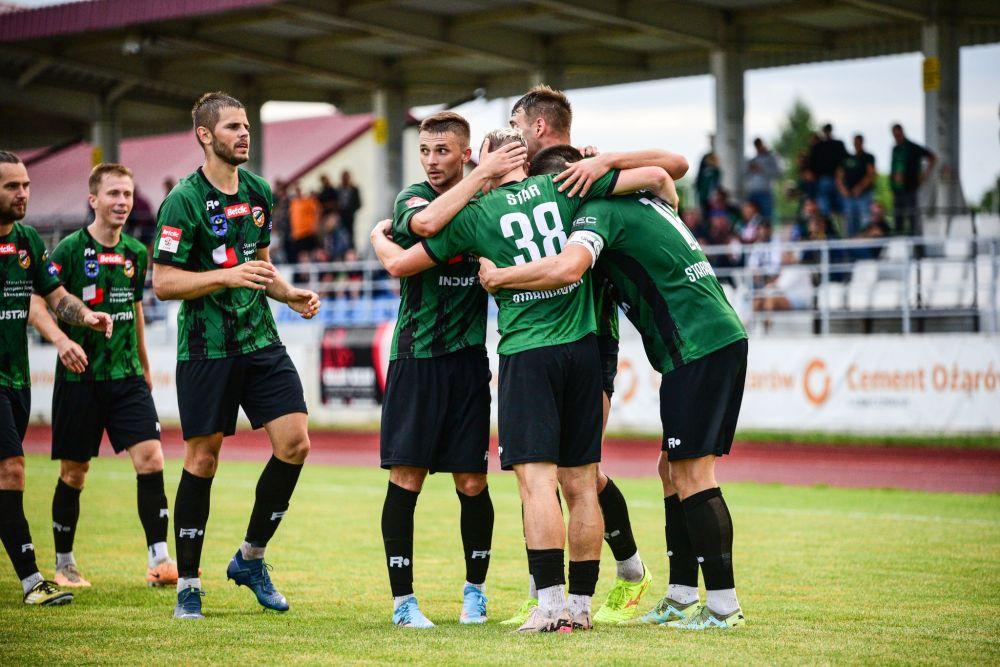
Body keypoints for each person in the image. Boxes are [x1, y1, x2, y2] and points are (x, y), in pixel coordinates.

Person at [372, 129, 672, 633]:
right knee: (580, 485)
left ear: (486, 163)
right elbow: (663, 175)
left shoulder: (475, 214)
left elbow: (412, 247)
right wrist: (602, 162)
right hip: (584, 347)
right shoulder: (565, 189)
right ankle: (580, 609)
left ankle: (548, 605)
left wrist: (380, 235)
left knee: (537, 485)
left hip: (527, 355)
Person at [477, 147, 749, 631]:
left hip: (698, 342)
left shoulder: (599, 213)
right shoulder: (645, 198)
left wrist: (500, 277)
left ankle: (724, 607)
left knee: (693, 474)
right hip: (710, 337)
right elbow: (668, 174)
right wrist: (610, 162)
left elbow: (568, 268)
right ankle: (682, 595)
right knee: (671, 469)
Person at [507, 84, 688, 625]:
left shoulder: (581, 169)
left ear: (538, 126)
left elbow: (666, 172)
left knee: (574, 475)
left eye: (516, 124)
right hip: (544, 338)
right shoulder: (528, 181)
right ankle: (551, 593)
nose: (513, 134)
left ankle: (629, 571)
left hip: (592, 335)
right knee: (544, 474)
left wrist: (607, 160)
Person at [151, 91, 321, 620]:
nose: (243, 134)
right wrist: (225, 276)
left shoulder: (259, 191)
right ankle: (190, 585)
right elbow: (162, 283)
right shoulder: (182, 200)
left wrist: (288, 293)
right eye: (232, 127)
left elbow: (260, 266)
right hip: (206, 349)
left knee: (295, 444)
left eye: (246, 125)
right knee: (203, 459)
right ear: (205, 135)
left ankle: (251, 557)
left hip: (261, 340)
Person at [375, 111, 526, 629]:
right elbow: (426, 225)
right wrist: (484, 174)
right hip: (416, 359)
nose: (432, 161)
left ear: (464, 153)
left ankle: (475, 593)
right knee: (407, 479)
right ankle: (403, 602)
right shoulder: (411, 197)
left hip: (466, 363)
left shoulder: (489, 207)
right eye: (425, 150)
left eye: (442, 151)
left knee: (472, 484)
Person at [31, 163, 176, 589]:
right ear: (93, 199)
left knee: (152, 459)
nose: (122, 202)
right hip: (80, 379)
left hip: (126, 375)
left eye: (128, 195)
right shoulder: (69, 250)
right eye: (113, 194)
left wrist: (145, 365)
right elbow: (39, 303)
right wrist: (61, 341)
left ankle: (159, 560)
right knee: (74, 473)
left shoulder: (136, 251)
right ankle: (65, 562)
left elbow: (134, 311)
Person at [0, 150, 113, 606]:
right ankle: (32, 581)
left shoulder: (26, 240)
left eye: (26, 184)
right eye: (12, 186)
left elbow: (49, 297)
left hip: (16, 378)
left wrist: (81, 322)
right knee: (12, 470)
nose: (23, 193)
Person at [890, 123, 937, 236]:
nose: (896, 137)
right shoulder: (895, 148)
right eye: (894, 135)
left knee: (913, 220)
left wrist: (924, 175)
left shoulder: (912, 147)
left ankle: (917, 248)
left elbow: (932, 157)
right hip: (897, 190)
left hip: (910, 188)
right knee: (898, 220)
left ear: (902, 132)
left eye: (898, 134)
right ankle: (899, 246)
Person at [836, 134, 876, 237]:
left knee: (864, 218)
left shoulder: (868, 157)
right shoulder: (848, 159)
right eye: (855, 142)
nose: (857, 144)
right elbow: (839, 175)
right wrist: (843, 189)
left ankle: (864, 242)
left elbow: (871, 174)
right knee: (849, 220)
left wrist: (860, 187)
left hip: (864, 195)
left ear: (862, 142)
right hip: (849, 196)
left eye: (859, 142)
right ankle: (850, 243)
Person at [808, 124, 848, 217]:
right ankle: (830, 226)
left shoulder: (819, 146)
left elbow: (811, 166)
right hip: (827, 179)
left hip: (834, 180)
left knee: (829, 207)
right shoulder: (836, 144)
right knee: (831, 207)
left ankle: (831, 225)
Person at [744, 138, 780, 221]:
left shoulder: (771, 158)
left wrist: (762, 169)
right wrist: (750, 169)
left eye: (759, 145)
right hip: (752, 192)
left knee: (766, 217)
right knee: (750, 218)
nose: (758, 147)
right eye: (756, 145)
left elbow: (777, 173)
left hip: (765, 192)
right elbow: (745, 175)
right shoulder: (753, 160)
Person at [288, 183, 321, 256]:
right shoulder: (293, 203)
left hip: (307, 232)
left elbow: (317, 212)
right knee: (301, 255)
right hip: (297, 234)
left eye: (299, 190)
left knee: (311, 253)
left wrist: (315, 225)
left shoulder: (308, 201)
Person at [695, 135, 721, 219]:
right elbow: (699, 177)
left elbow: (717, 181)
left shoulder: (716, 168)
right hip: (704, 194)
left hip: (713, 196)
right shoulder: (705, 157)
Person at [337, 170, 362, 245]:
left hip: (350, 214)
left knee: (350, 233)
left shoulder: (354, 189)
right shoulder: (339, 189)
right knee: (340, 233)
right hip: (341, 214)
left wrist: (352, 210)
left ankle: (350, 249)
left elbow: (358, 203)